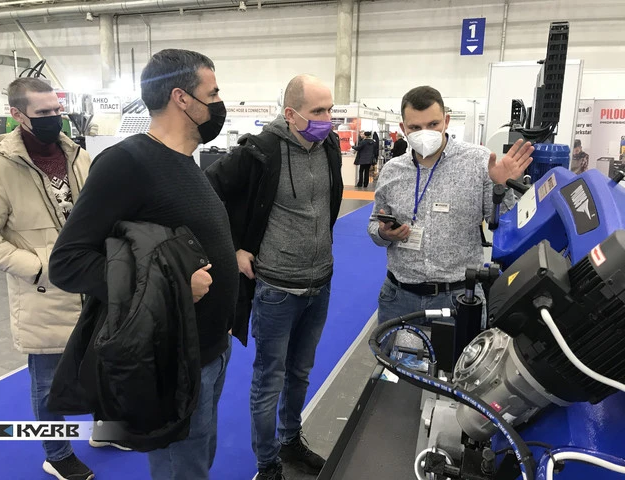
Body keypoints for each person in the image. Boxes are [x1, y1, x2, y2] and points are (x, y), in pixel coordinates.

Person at [48, 49, 239, 480]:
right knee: (181, 469)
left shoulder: (185, 162)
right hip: (175, 357)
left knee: (198, 459)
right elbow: (68, 262)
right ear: (182, 98)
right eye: (213, 93)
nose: (219, 102)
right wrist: (172, 286)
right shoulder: (127, 163)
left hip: (210, 348)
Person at [205, 74, 343, 480]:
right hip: (276, 290)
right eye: (318, 111)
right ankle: (267, 464)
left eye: (330, 109)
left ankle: (290, 441)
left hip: (320, 283)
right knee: (269, 380)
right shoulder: (260, 151)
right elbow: (208, 191)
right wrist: (233, 248)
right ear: (291, 114)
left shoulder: (329, 146)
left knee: (300, 374)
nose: (327, 118)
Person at [0, 78, 94, 480]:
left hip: (93, 285)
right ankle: (58, 453)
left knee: (102, 366)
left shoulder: (78, 156)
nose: (54, 119)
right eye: (43, 113)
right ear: (17, 115)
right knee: (48, 383)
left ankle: (104, 432)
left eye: (57, 110)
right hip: (42, 293)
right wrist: (38, 267)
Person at [368, 85, 534, 328]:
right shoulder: (392, 170)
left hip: (458, 296)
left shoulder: (478, 161)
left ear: (446, 121)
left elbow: (502, 224)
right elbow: (374, 224)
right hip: (399, 296)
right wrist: (384, 233)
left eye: (433, 124)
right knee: (393, 354)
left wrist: (502, 188)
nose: (425, 133)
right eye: (415, 127)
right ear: (403, 128)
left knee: (459, 355)